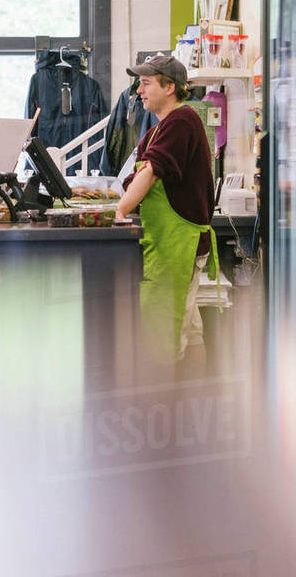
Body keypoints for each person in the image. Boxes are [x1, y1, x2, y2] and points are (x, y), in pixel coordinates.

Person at [116, 55, 217, 366]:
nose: (139, 91)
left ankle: (171, 392)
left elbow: (151, 172)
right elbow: (136, 176)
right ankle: (198, 389)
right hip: (166, 244)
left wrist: (119, 210)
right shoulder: (156, 131)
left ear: (170, 87)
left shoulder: (182, 120)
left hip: (179, 245)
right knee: (189, 327)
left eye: (146, 83)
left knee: (167, 333)